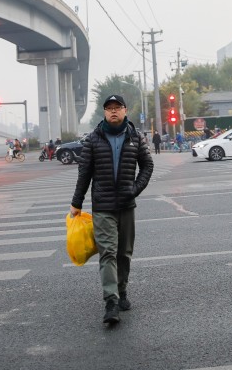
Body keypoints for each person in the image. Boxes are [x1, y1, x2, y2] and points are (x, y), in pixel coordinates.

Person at [70, 94, 154, 326]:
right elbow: (84, 173)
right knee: (107, 253)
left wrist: (135, 189)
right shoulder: (93, 139)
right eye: (109, 108)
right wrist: (77, 203)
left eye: (118, 107)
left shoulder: (135, 137)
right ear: (104, 113)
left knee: (124, 253)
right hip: (103, 207)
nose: (114, 111)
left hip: (127, 205)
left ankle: (122, 290)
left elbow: (148, 165)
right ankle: (111, 301)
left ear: (126, 111)